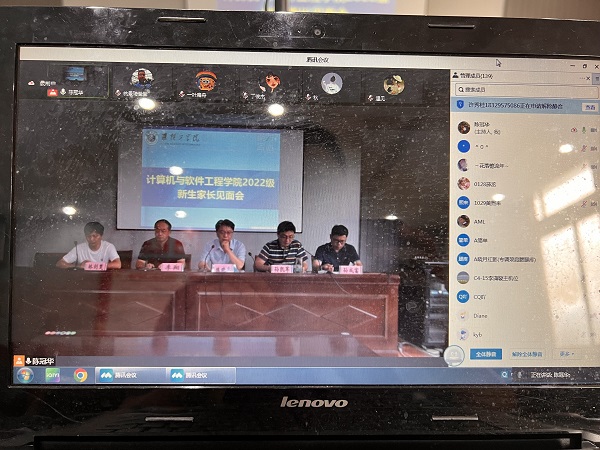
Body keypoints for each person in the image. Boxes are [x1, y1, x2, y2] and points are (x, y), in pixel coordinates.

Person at [56, 221, 121, 269]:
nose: (91, 239)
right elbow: (59, 263)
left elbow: (118, 264)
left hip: (101, 279)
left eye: (95, 236)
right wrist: (79, 266)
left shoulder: (108, 247)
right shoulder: (79, 248)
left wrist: (91, 266)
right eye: (88, 236)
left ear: (101, 236)